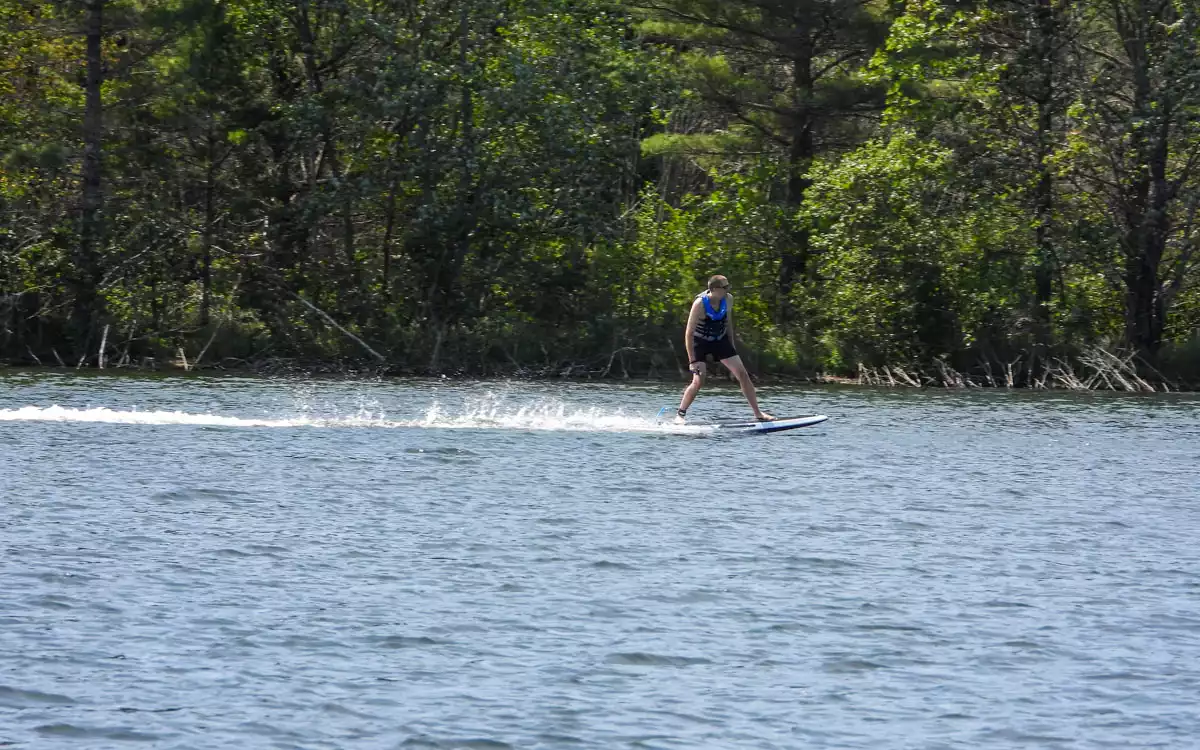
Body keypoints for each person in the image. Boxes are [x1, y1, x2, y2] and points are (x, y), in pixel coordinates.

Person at [676, 275, 774, 423]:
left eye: (728, 286)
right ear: (714, 289)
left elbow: (728, 323)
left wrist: (732, 347)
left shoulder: (728, 299)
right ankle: (680, 415)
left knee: (743, 374)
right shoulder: (700, 303)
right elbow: (689, 333)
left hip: (720, 340)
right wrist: (692, 361)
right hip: (700, 342)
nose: (728, 289)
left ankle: (758, 414)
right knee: (699, 380)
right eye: (725, 287)